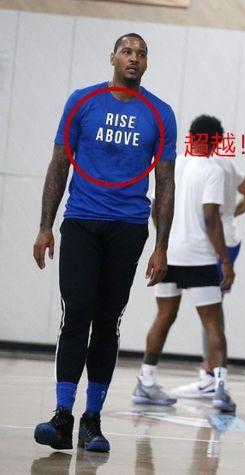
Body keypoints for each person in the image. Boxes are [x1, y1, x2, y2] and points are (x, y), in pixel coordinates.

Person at [32, 33, 177, 453]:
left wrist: (162, 246)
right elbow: (59, 163)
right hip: (81, 221)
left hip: (128, 227)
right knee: (76, 312)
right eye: (127, 51)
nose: (134, 58)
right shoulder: (82, 101)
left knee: (107, 320)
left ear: (147, 63)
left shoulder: (161, 113)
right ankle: (62, 415)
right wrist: (45, 226)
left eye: (141, 53)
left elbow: (165, 183)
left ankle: (91, 421)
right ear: (112, 57)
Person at [131, 115, 237, 412]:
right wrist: (225, 260)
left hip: (169, 254)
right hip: (198, 257)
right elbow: (210, 218)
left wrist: (162, 244)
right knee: (212, 322)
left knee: (163, 316)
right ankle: (220, 389)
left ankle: (146, 381)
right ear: (216, 141)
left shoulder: (173, 164)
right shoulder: (213, 170)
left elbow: (155, 207)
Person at [170, 154, 245, 399]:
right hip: (228, 237)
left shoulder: (204, 164)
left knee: (210, 311)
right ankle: (212, 373)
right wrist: (230, 216)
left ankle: (211, 374)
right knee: (213, 308)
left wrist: (222, 220)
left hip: (214, 241)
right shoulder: (228, 163)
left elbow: (210, 215)